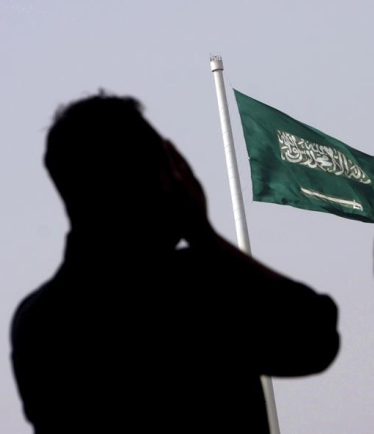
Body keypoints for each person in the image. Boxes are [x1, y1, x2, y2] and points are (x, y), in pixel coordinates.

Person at [11, 93, 340, 433]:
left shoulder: (37, 323)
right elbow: (316, 337)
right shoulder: (196, 288)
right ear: (164, 177)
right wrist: (204, 235)